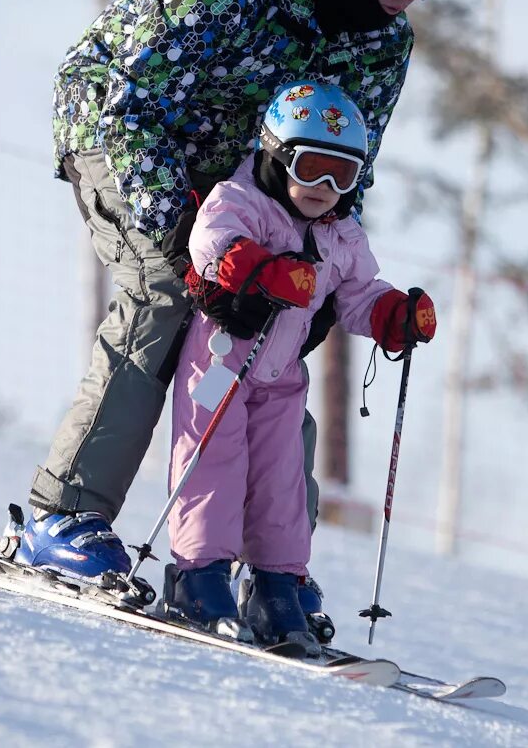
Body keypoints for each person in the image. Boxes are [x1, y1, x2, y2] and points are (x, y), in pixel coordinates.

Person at [16, 0, 450, 606]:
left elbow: (350, 170)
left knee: (271, 352)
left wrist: (315, 295)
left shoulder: (384, 45)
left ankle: (270, 568)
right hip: (124, 139)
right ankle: (64, 517)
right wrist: (191, 241)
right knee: (164, 293)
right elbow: (126, 103)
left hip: (248, 180)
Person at [157, 81, 436, 654]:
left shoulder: (342, 234)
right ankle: (199, 578)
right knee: (215, 464)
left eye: (344, 175)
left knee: (282, 481)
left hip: (281, 378)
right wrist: (263, 270)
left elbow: (359, 292)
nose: (325, 188)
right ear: (277, 155)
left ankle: (276, 588)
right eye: (312, 168)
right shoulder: (242, 200)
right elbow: (212, 242)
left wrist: (392, 315)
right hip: (222, 364)